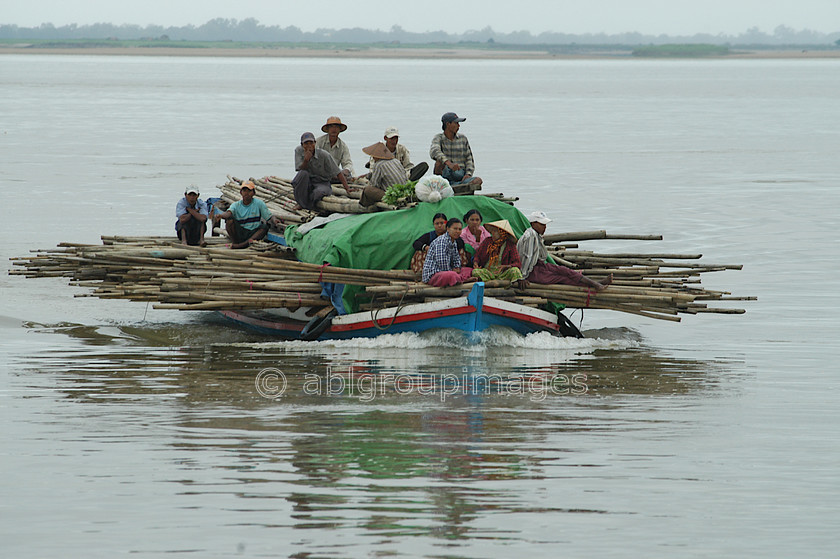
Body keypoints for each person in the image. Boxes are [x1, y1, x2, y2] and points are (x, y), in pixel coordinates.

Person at [517, 211, 612, 290]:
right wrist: (522, 277)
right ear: (533, 224)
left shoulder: (536, 235)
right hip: (530, 272)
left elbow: (543, 256)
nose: (545, 227)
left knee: (565, 270)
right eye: (542, 224)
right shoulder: (530, 236)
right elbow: (527, 257)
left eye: (545, 225)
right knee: (562, 278)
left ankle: (595, 283)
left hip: (538, 266)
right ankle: (595, 285)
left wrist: (541, 241)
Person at [293, 131, 350, 211]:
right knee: (302, 174)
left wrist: (347, 188)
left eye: (311, 143)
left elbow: (338, 172)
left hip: (322, 182)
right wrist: (306, 160)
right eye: (306, 144)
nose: (309, 146)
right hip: (307, 181)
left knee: (318, 193)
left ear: (315, 143)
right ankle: (301, 203)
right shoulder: (298, 151)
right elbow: (300, 169)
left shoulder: (323, 155)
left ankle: (308, 205)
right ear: (302, 145)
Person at [213, 181, 277, 249]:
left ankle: (242, 245)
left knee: (264, 227)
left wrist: (274, 220)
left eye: (249, 191)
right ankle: (235, 242)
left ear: (253, 193)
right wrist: (221, 216)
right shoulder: (236, 205)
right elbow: (228, 213)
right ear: (241, 193)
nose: (246, 193)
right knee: (230, 221)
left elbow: (269, 216)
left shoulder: (259, 203)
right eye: (244, 191)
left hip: (253, 232)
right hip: (241, 231)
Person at [429, 112, 482, 188]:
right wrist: (448, 163)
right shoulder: (438, 138)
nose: (459, 126)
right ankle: (443, 185)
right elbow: (434, 151)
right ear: (448, 124)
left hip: (459, 174)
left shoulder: (463, 139)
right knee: (438, 163)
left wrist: (468, 174)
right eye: (456, 123)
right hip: (445, 174)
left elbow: (469, 159)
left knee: (477, 181)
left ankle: (456, 186)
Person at [421, 218, 476, 287]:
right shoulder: (441, 241)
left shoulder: (454, 242)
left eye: (459, 229)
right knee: (452, 275)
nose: (457, 231)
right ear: (448, 229)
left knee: (469, 270)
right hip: (434, 275)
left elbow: (456, 258)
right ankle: (462, 279)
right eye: (455, 229)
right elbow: (442, 263)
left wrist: (457, 268)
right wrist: (453, 271)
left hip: (448, 271)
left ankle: (459, 279)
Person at [359, 142, 409, 207]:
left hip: (393, 195)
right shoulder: (396, 161)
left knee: (368, 190)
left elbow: (374, 185)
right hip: (404, 192)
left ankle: (364, 205)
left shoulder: (378, 165)